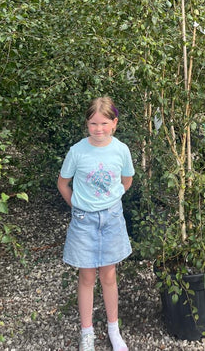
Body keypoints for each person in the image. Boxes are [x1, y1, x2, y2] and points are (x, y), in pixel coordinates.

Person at [57, 96, 134, 351]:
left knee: (109, 276)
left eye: (103, 123)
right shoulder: (77, 151)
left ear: (114, 123)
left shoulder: (121, 150)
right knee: (87, 276)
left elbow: (126, 181)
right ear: (86, 124)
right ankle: (87, 332)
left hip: (111, 218)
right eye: (93, 124)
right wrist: (79, 205)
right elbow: (63, 183)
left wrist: (110, 202)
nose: (98, 129)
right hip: (83, 221)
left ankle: (114, 329)